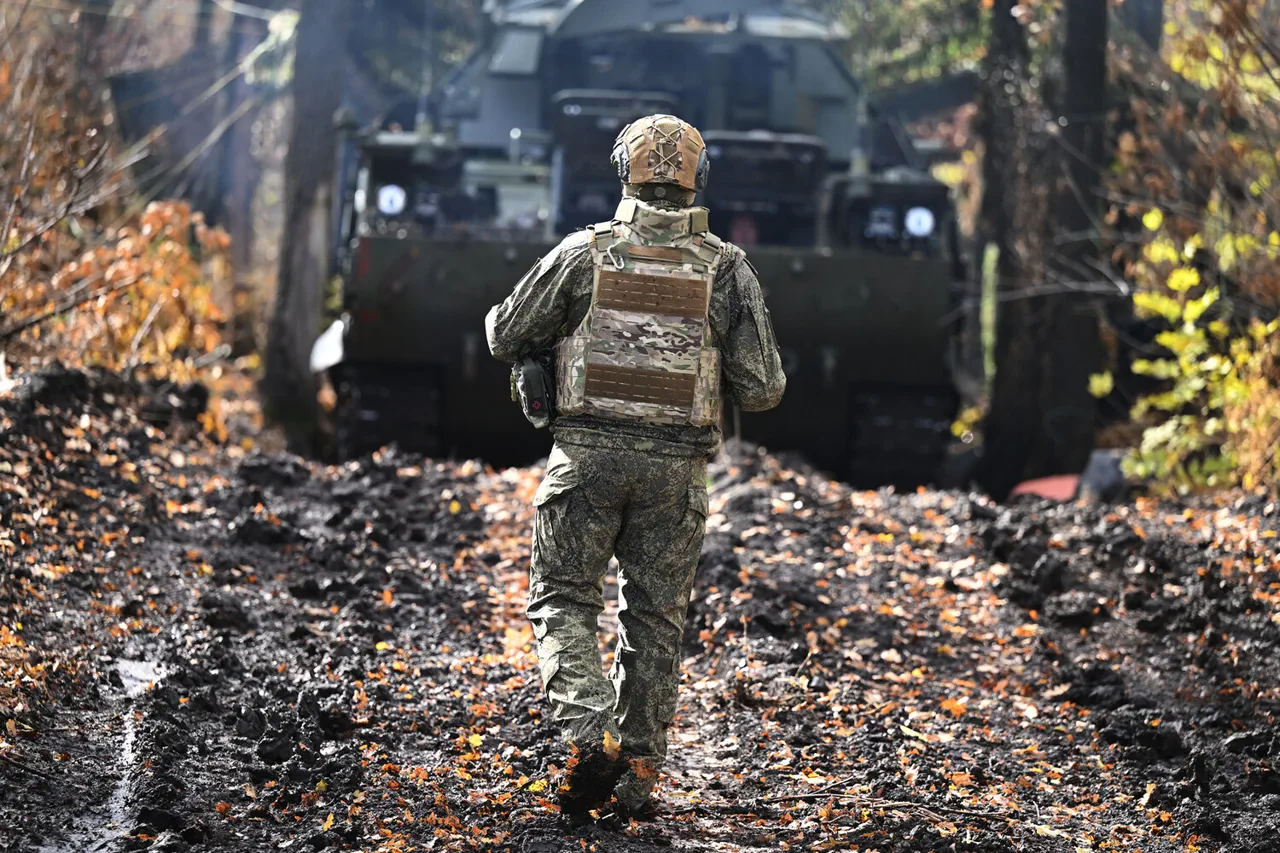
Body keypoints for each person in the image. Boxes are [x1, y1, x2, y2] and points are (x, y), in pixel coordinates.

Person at [485, 114, 786, 817]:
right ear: (697, 179)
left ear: (623, 171)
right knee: (654, 617)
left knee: (562, 597)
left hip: (585, 458)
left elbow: (505, 332)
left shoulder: (584, 254)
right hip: (675, 474)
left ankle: (591, 732)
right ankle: (639, 772)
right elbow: (764, 388)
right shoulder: (726, 268)